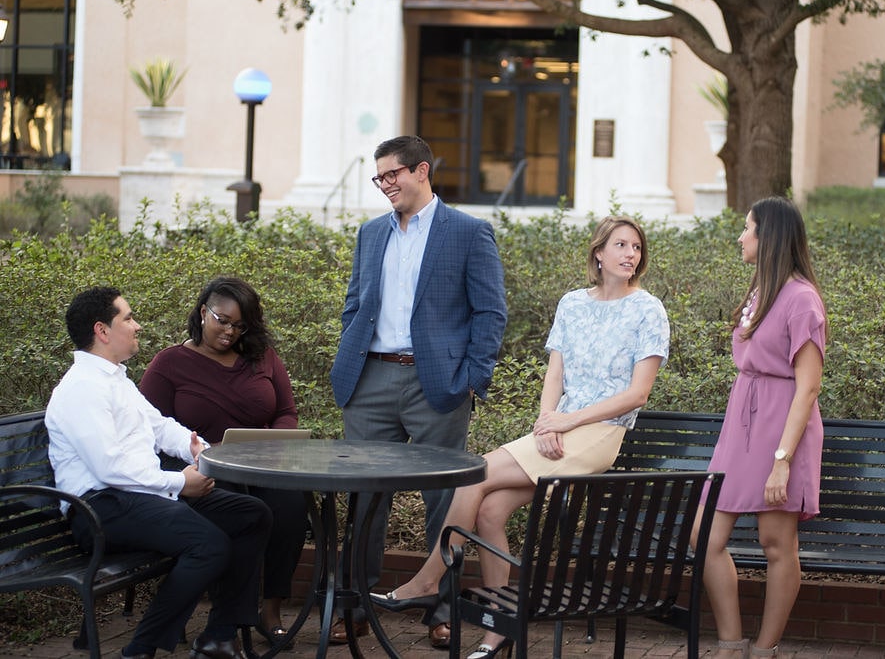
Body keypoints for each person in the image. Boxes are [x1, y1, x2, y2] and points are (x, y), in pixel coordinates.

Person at [368, 215, 670, 659]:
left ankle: (429, 579)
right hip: (560, 428)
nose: (631, 254)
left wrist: (566, 423)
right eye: (621, 245)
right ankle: (499, 630)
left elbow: (637, 393)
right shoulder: (572, 303)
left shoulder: (648, 308)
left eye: (637, 248)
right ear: (598, 253)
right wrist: (546, 419)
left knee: (473, 475)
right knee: (490, 510)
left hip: (601, 433)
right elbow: (555, 373)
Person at [328, 135, 507, 648]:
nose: (385, 185)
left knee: (443, 501)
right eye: (379, 177)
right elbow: (355, 303)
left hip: (438, 385)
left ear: (421, 170)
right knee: (365, 500)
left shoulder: (469, 233)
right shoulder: (370, 234)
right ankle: (355, 607)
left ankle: (440, 611)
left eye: (392, 175)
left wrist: (472, 378)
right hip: (370, 380)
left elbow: (490, 313)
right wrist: (351, 352)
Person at [45, 287, 273, 659]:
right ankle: (139, 649)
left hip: (138, 498)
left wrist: (196, 447)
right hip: (101, 510)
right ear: (103, 331)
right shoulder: (81, 389)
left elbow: (159, 425)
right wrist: (180, 482)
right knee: (208, 545)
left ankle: (218, 636)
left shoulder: (115, 378)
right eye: (129, 319)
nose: (137, 326)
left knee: (250, 514)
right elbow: (110, 468)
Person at [138, 276, 306, 646]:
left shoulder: (261, 356)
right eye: (223, 320)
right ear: (202, 312)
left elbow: (286, 412)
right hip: (204, 472)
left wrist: (276, 443)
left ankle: (271, 608)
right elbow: (147, 429)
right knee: (236, 506)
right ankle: (228, 621)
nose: (230, 332)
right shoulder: (169, 363)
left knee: (292, 504)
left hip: (264, 466)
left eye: (240, 325)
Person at [697, 196, 828, 658]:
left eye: (747, 228)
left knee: (776, 543)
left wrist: (781, 462)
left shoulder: (802, 298)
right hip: (743, 422)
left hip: (782, 428)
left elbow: (808, 388)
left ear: (768, 236)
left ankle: (764, 649)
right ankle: (732, 643)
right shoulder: (761, 288)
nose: (740, 236)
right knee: (704, 535)